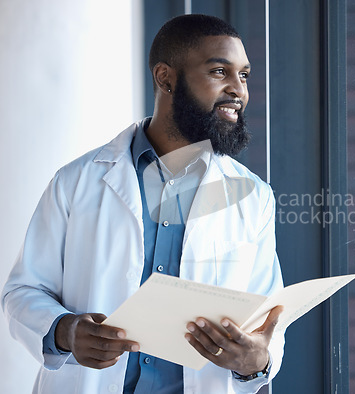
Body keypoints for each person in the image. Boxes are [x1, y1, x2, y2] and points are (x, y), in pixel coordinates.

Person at [2, 14, 284, 394]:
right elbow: (23, 292)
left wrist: (257, 362)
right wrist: (65, 331)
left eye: (244, 75)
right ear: (165, 78)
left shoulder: (253, 196)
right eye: (220, 72)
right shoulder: (76, 181)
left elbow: (267, 320)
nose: (239, 90)